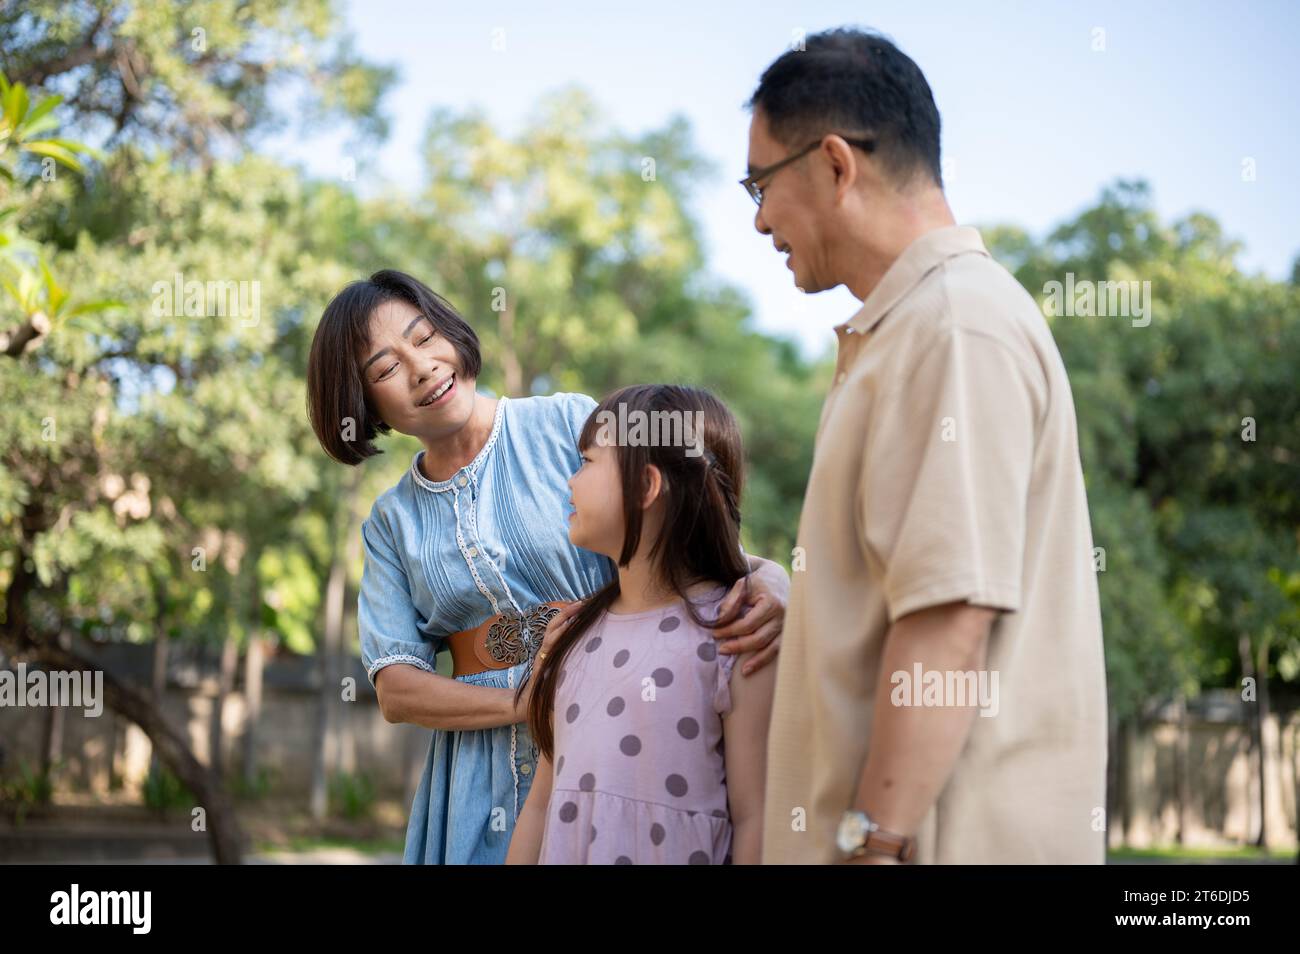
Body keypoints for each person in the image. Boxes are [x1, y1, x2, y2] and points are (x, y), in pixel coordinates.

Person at [742, 29, 1108, 864]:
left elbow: (949, 617)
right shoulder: (919, 325)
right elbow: (920, 589)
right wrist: (810, 617)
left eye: (760, 184)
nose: (760, 219)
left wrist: (870, 844)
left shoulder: (953, 327)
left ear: (836, 164)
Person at [304, 270, 789, 864]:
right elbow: (397, 691)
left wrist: (771, 579)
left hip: (627, 733)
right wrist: (536, 702)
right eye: (384, 368)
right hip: (475, 780)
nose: (422, 365)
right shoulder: (389, 522)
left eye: (425, 336)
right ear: (361, 400)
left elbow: (684, 520)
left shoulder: (567, 422)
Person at [505, 384, 779, 864]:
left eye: (587, 462)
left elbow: (756, 814)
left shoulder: (735, 635)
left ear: (646, 486)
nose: (570, 481)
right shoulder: (571, 638)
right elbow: (541, 803)